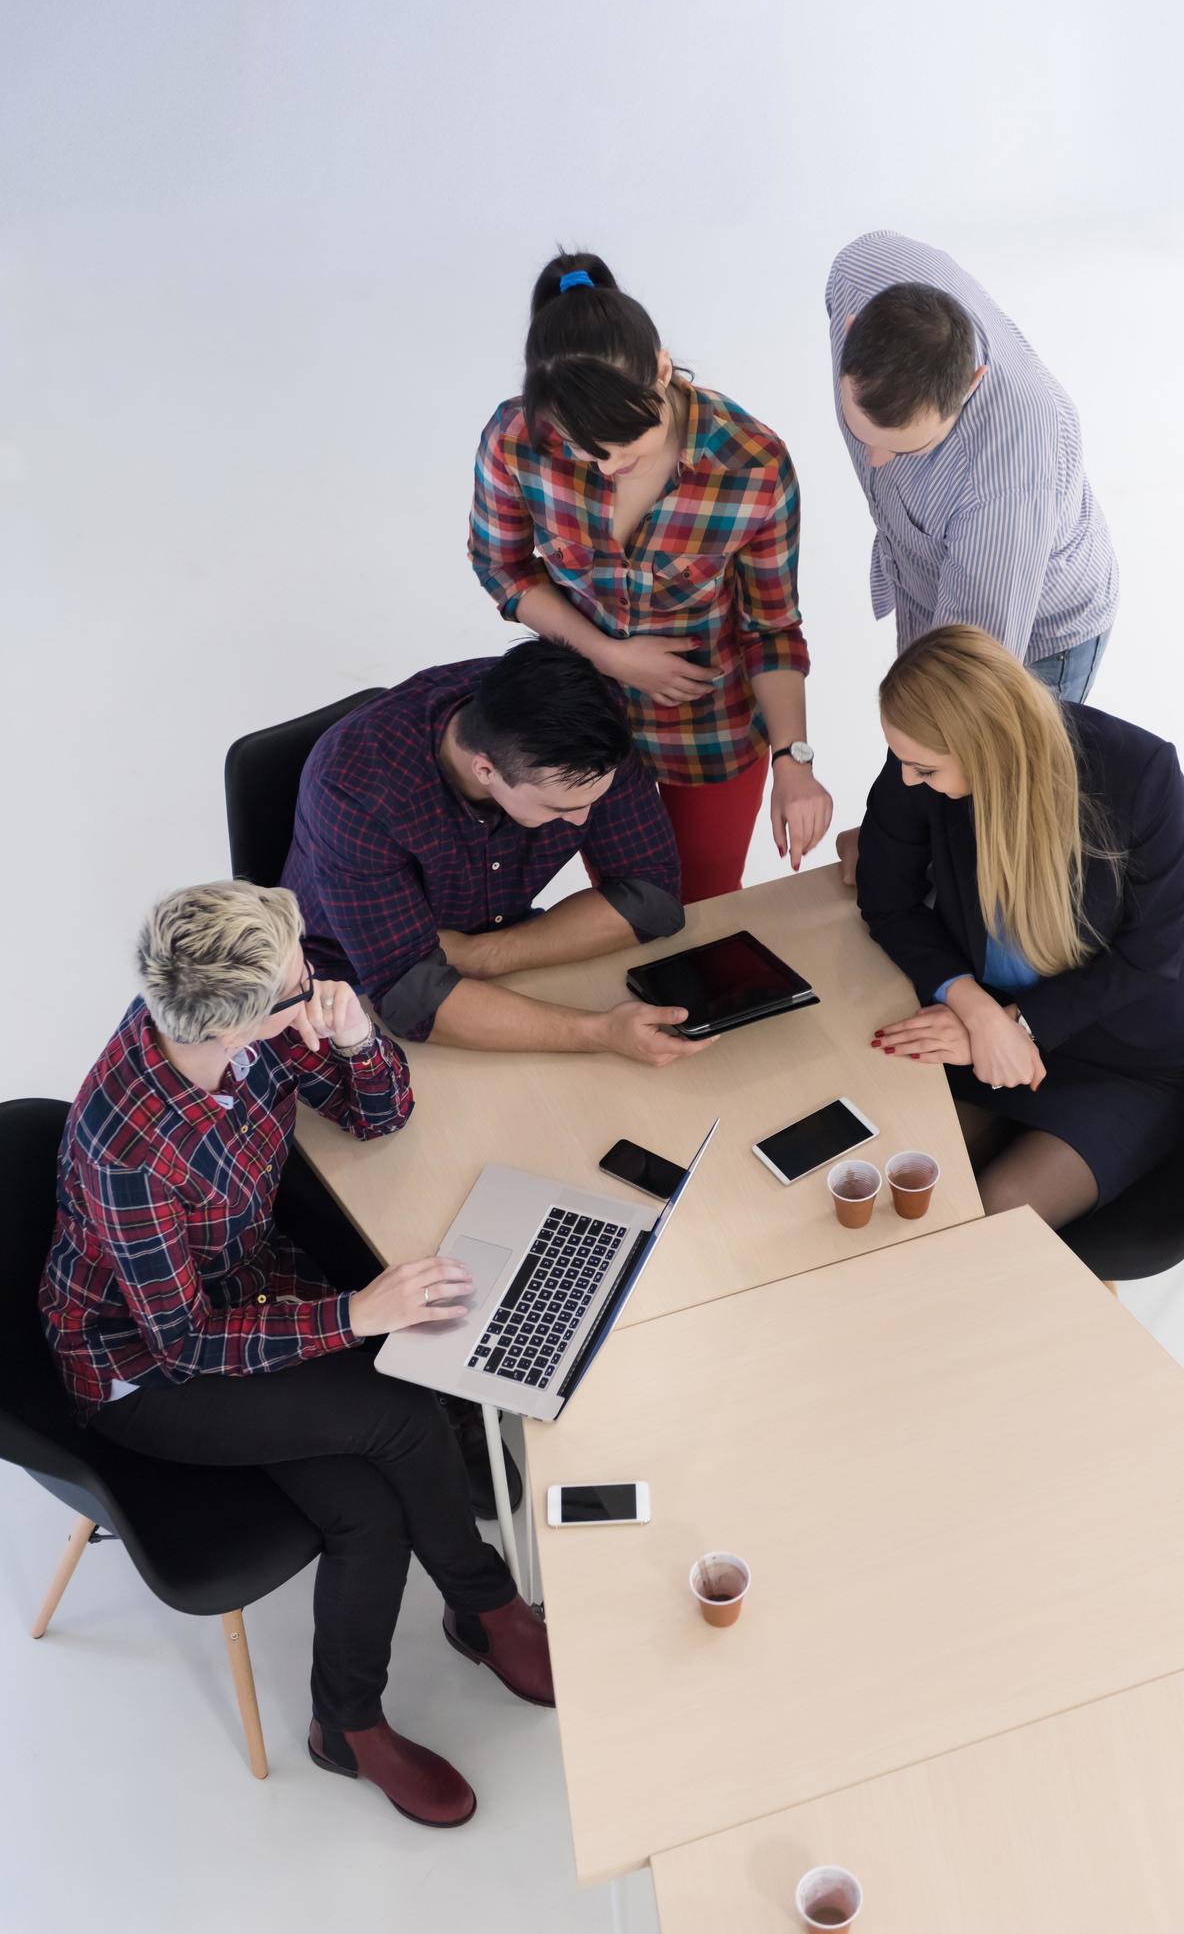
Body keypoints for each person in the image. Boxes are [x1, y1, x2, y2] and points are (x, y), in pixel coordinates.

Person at [41, 881, 552, 1827]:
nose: (312, 979)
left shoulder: (230, 1026)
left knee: (367, 1514)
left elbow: (376, 1115)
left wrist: (354, 1036)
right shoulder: (131, 1155)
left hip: (244, 1293)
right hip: (146, 1373)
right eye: (298, 981)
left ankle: (351, 1716)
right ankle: (480, 1611)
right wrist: (355, 1314)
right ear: (241, 1020)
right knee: (400, 1411)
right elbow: (183, 1343)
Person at [468, 249, 833, 903]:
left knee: (708, 898)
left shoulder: (752, 463)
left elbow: (772, 628)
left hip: (714, 730)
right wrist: (610, 654)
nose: (604, 467)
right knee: (627, 903)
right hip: (588, 726)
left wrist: (794, 761)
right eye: (581, 449)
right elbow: (503, 566)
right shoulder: (514, 440)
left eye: (624, 446)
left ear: (661, 370)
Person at [855, 626, 1184, 1229]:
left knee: (986, 1223)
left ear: (984, 746)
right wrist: (978, 1012)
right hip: (984, 1035)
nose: (908, 781)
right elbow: (888, 901)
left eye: (924, 769)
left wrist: (1024, 1026)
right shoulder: (918, 760)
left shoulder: (1141, 774)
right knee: (901, 1192)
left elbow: (1152, 958)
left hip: (1116, 1061)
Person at [282, 638, 705, 1066]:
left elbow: (653, 900)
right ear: (485, 770)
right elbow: (412, 999)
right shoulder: (355, 787)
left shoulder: (591, 726)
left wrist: (483, 954)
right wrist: (598, 1031)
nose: (584, 821)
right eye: (561, 808)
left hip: (485, 947)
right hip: (343, 989)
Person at [827, 231, 1118, 702]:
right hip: (935, 582)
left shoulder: (1003, 484)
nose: (876, 462)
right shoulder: (861, 270)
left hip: (1039, 642)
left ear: (971, 385)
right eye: (862, 432)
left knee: (992, 771)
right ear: (854, 325)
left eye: (905, 450)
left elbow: (966, 677)